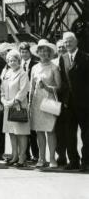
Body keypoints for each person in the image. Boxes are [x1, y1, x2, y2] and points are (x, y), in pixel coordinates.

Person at [58, 31, 89, 172]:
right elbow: (63, 81)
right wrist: (64, 99)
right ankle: (73, 161)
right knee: (69, 133)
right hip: (68, 103)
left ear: (76, 42)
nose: (67, 43)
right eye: (65, 41)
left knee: (86, 133)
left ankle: (86, 162)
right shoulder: (62, 58)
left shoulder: (85, 58)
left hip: (84, 103)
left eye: (70, 41)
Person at [29, 39, 61, 169]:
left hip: (49, 101)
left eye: (46, 50)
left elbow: (59, 86)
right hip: (37, 102)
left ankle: (52, 158)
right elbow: (31, 87)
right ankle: (41, 158)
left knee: (51, 131)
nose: (44, 52)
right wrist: (30, 103)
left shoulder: (54, 67)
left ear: (50, 52)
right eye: (41, 50)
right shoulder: (34, 67)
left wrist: (47, 87)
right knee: (39, 131)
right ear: (38, 52)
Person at [1, 50, 30, 167]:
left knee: (21, 133)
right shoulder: (7, 73)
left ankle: (22, 157)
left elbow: (23, 90)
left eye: (14, 60)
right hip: (8, 107)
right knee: (12, 133)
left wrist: (13, 101)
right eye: (9, 60)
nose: (12, 62)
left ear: (19, 61)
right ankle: (14, 156)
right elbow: (2, 90)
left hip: (18, 107)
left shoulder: (23, 73)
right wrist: (3, 101)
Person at [19, 41, 39, 161]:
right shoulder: (17, 63)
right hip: (21, 98)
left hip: (31, 97)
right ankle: (24, 153)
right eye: (22, 52)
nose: (24, 54)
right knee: (22, 127)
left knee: (32, 129)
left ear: (30, 52)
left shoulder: (35, 64)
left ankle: (36, 154)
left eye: (26, 52)